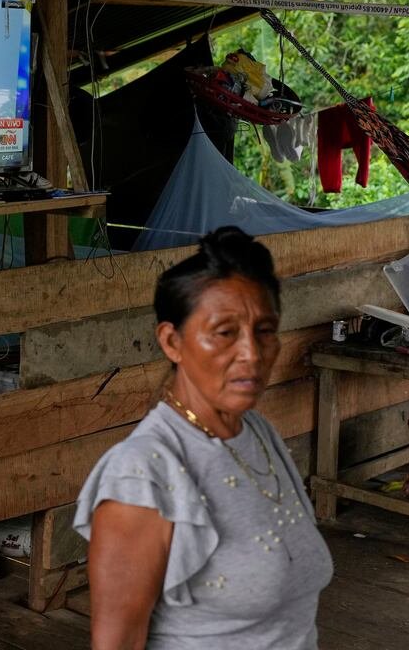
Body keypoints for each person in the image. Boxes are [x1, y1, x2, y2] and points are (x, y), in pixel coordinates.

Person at [74, 226, 333, 650]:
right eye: (225, 332)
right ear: (172, 342)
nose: (251, 353)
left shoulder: (257, 432)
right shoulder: (142, 477)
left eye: (265, 330)